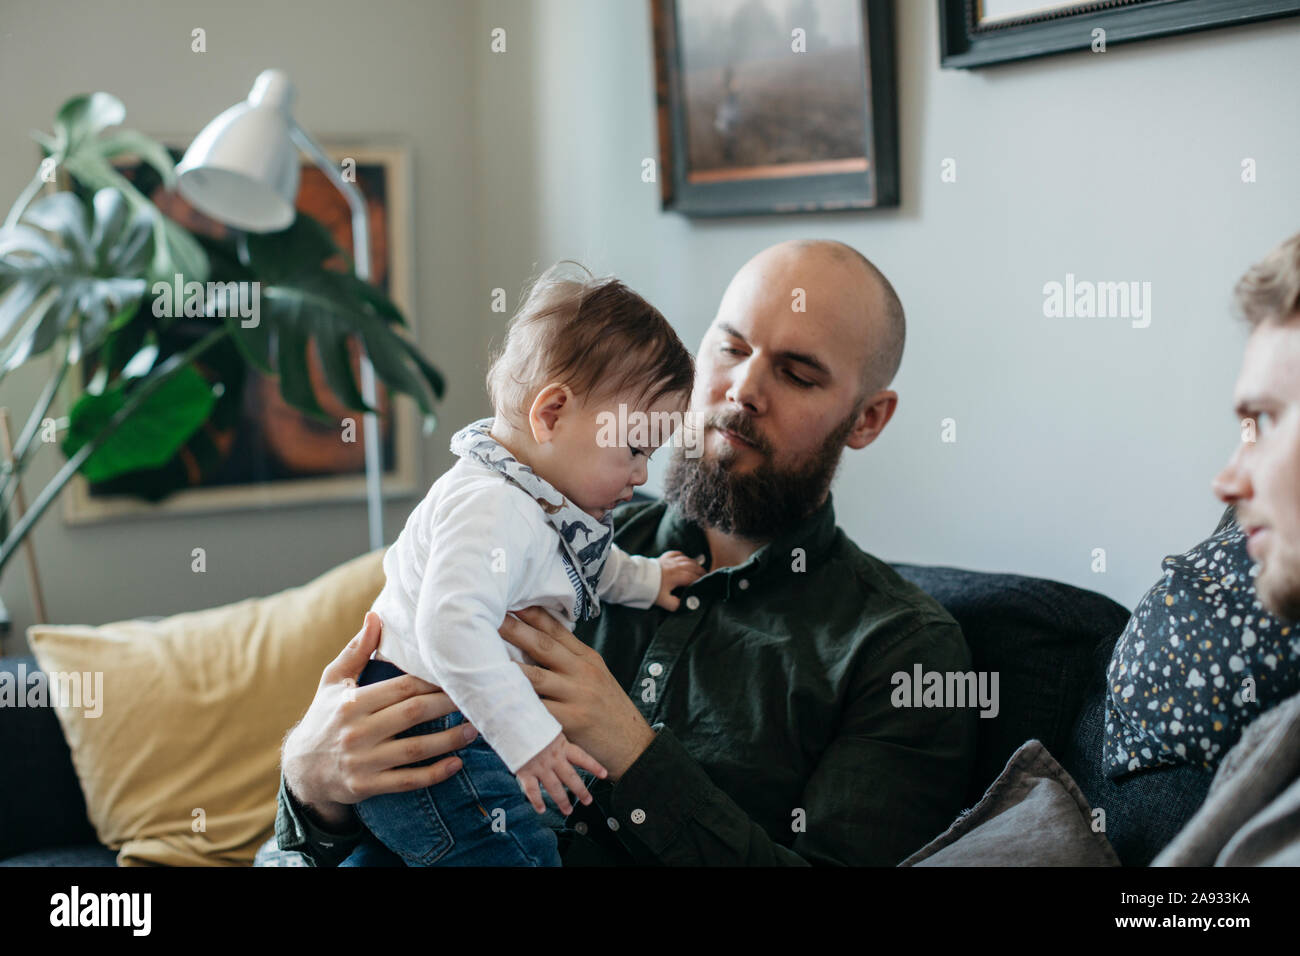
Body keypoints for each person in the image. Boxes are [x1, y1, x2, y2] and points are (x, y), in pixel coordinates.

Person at [274, 238, 980, 866]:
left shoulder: (899, 652)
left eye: (797, 374)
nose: (741, 392)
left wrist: (635, 755)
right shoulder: (549, 527)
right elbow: (311, 837)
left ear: (868, 419)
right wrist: (311, 781)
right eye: (730, 349)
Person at [342, 263, 705, 866]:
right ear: (552, 413)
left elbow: (587, 562)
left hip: (460, 715)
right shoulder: (492, 505)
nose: (643, 475)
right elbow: (449, 626)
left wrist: (648, 579)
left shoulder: (543, 497)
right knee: (511, 850)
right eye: (635, 448)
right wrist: (531, 741)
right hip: (422, 728)